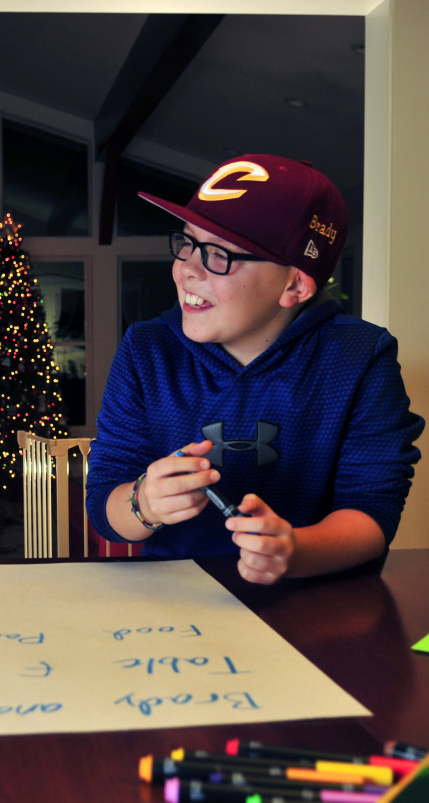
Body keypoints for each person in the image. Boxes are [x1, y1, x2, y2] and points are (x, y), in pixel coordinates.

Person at [85, 154, 423, 585]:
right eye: (187, 242)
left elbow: (373, 509)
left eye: (218, 255)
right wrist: (145, 503)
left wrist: (295, 553)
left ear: (295, 284)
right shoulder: (146, 348)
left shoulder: (361, 357)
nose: (187, 269)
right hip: (174, 602)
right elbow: (104, 503)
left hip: (316, 602)